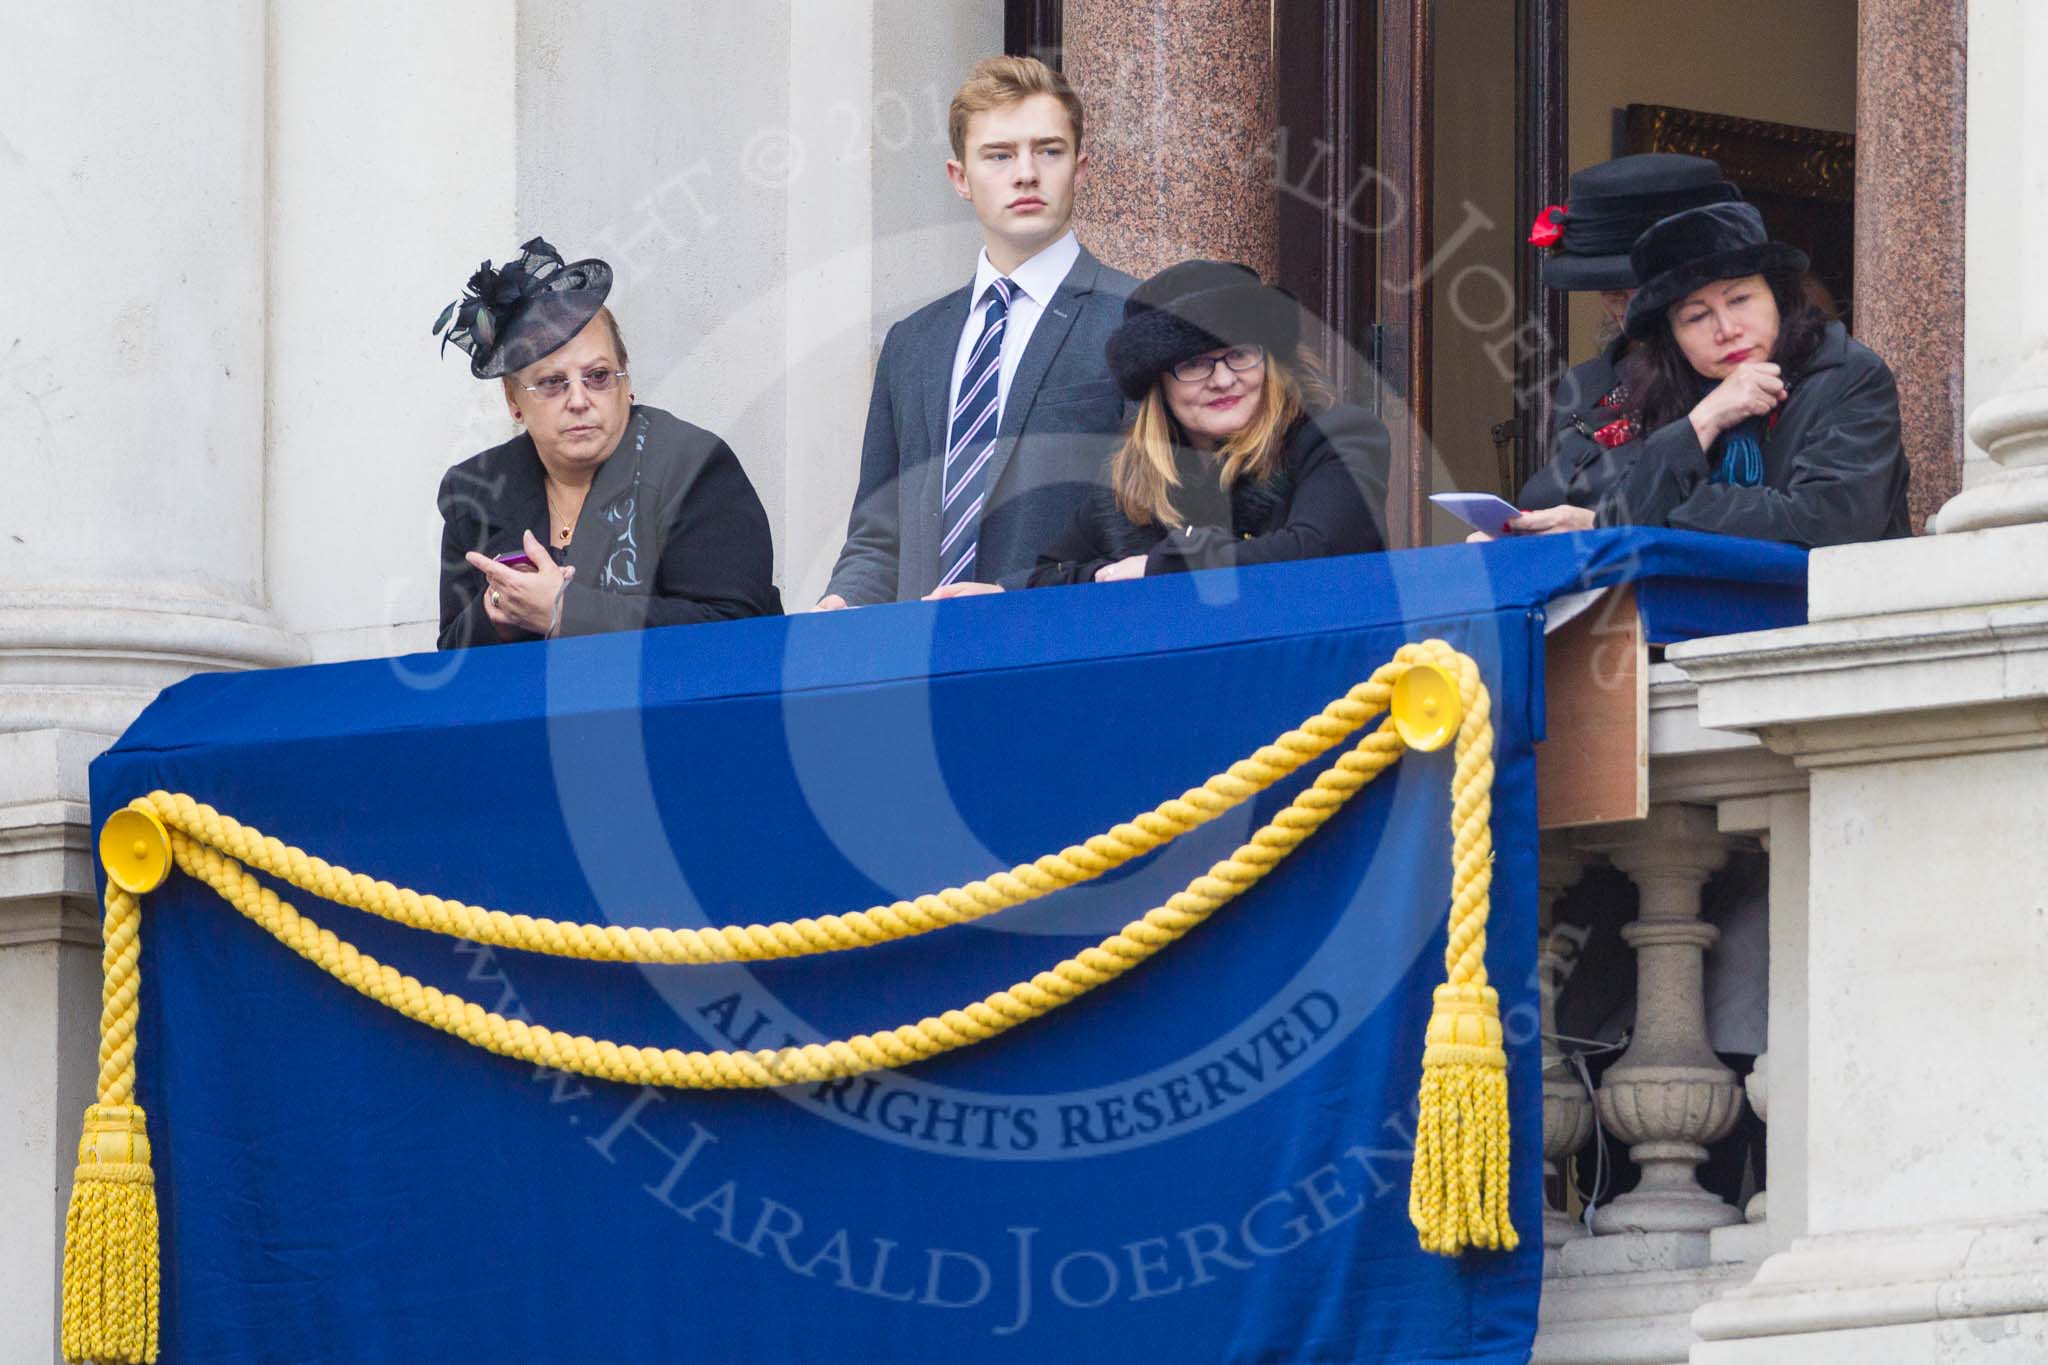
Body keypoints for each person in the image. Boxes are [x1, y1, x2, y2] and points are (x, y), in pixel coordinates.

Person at [817, 56, 1138, 608]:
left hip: (1066, 653)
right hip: (921, 664)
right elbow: (878, 534)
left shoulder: (1134, 316)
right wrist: (841, 606)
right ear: (960, 178)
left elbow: (1148, 526)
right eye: (999, 155)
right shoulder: (912, 344)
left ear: (1080, 169)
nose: (1026, 173)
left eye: (1049, 150)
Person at [434, 239, 781, 648]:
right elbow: (452, 661)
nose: (579, 401)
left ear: (626, 384)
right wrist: (498, 612)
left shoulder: (692, 465)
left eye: (598, 377)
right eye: (551, 383)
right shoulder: (474, 489)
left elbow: (738, 630)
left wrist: (565, 612)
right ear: (514, 401)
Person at [1510, 202, 1910, 545]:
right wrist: (1704, 419)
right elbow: (1620, 516)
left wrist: (1659, 513)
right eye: (1697, 316)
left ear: (1778, 297)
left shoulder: (1849, 375)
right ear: (1672, 339)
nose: (1727, 329)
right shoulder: (1672, 390)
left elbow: (1821, 522)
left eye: (1740, 299)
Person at [1018, 260, 1389, 586]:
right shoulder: (1134, 478)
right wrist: (1110, 574)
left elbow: (1314, 550)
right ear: (1159, 385)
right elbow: (1052, 572)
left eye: (1239, 354)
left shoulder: (1337, 437)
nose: (1224, 379)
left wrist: (1161, 567)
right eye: (1194, 364)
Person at [1519, 154, 1739, 511]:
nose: (1618, 300)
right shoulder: (1586, 383)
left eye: (1630, 283)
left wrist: (1595, 526)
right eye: (1606, 286)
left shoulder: (1735, 377)